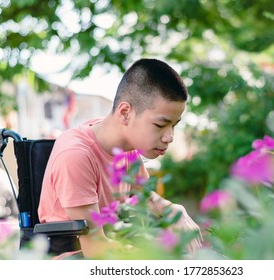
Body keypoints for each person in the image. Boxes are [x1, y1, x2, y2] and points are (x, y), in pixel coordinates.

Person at [38, 58, 202, 258]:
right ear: (125, 113)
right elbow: (95, 249)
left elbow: (143, 195)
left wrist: (175, 211)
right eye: (160, 125)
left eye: (174, 125)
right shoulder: (76, 155)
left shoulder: (128, 146)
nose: (170, 137)